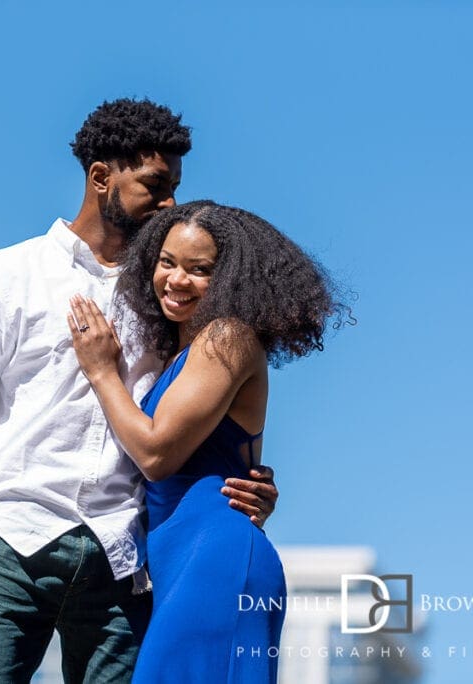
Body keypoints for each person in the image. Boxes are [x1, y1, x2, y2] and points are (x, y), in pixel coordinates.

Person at [0, 99, 280, 683]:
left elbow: (210, 405)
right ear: (100, 178)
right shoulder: (5, 272)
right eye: (155, 186)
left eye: (175, 188)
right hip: (12, 544)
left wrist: (247, 479)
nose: (170, 204)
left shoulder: (171, 300)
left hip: (124, 557)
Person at [68, 201, 348, 682]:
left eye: (200, 270)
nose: (177, 280)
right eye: (167, 262)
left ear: (233, 280)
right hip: (180, 568)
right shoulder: (182, 352)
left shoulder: (228, 337)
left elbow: (157, 454)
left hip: (215, 562)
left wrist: (100, 371)